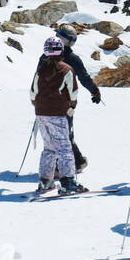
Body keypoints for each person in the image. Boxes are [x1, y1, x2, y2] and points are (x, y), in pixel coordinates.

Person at [39, 25, 101, 173]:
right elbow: (84, 77)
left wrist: (37, 100)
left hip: (48, 103)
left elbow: (38, 79)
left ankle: (69, 164)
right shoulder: (71, 58)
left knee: (55, 135)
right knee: (64, 133)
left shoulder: (45, 57)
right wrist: (94, 91)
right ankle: (72, 164)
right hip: (64, 104)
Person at [29, 36, 86, 194]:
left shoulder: (40, 70)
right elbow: (73, 92)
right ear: (61, 50)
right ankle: (68, 182)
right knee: (65, 148)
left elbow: (33, 92)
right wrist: (71, 107)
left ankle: (45, 181)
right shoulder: (66, 69)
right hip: (58, 113)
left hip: (41, 113)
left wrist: (39, 106)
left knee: (49, 147)